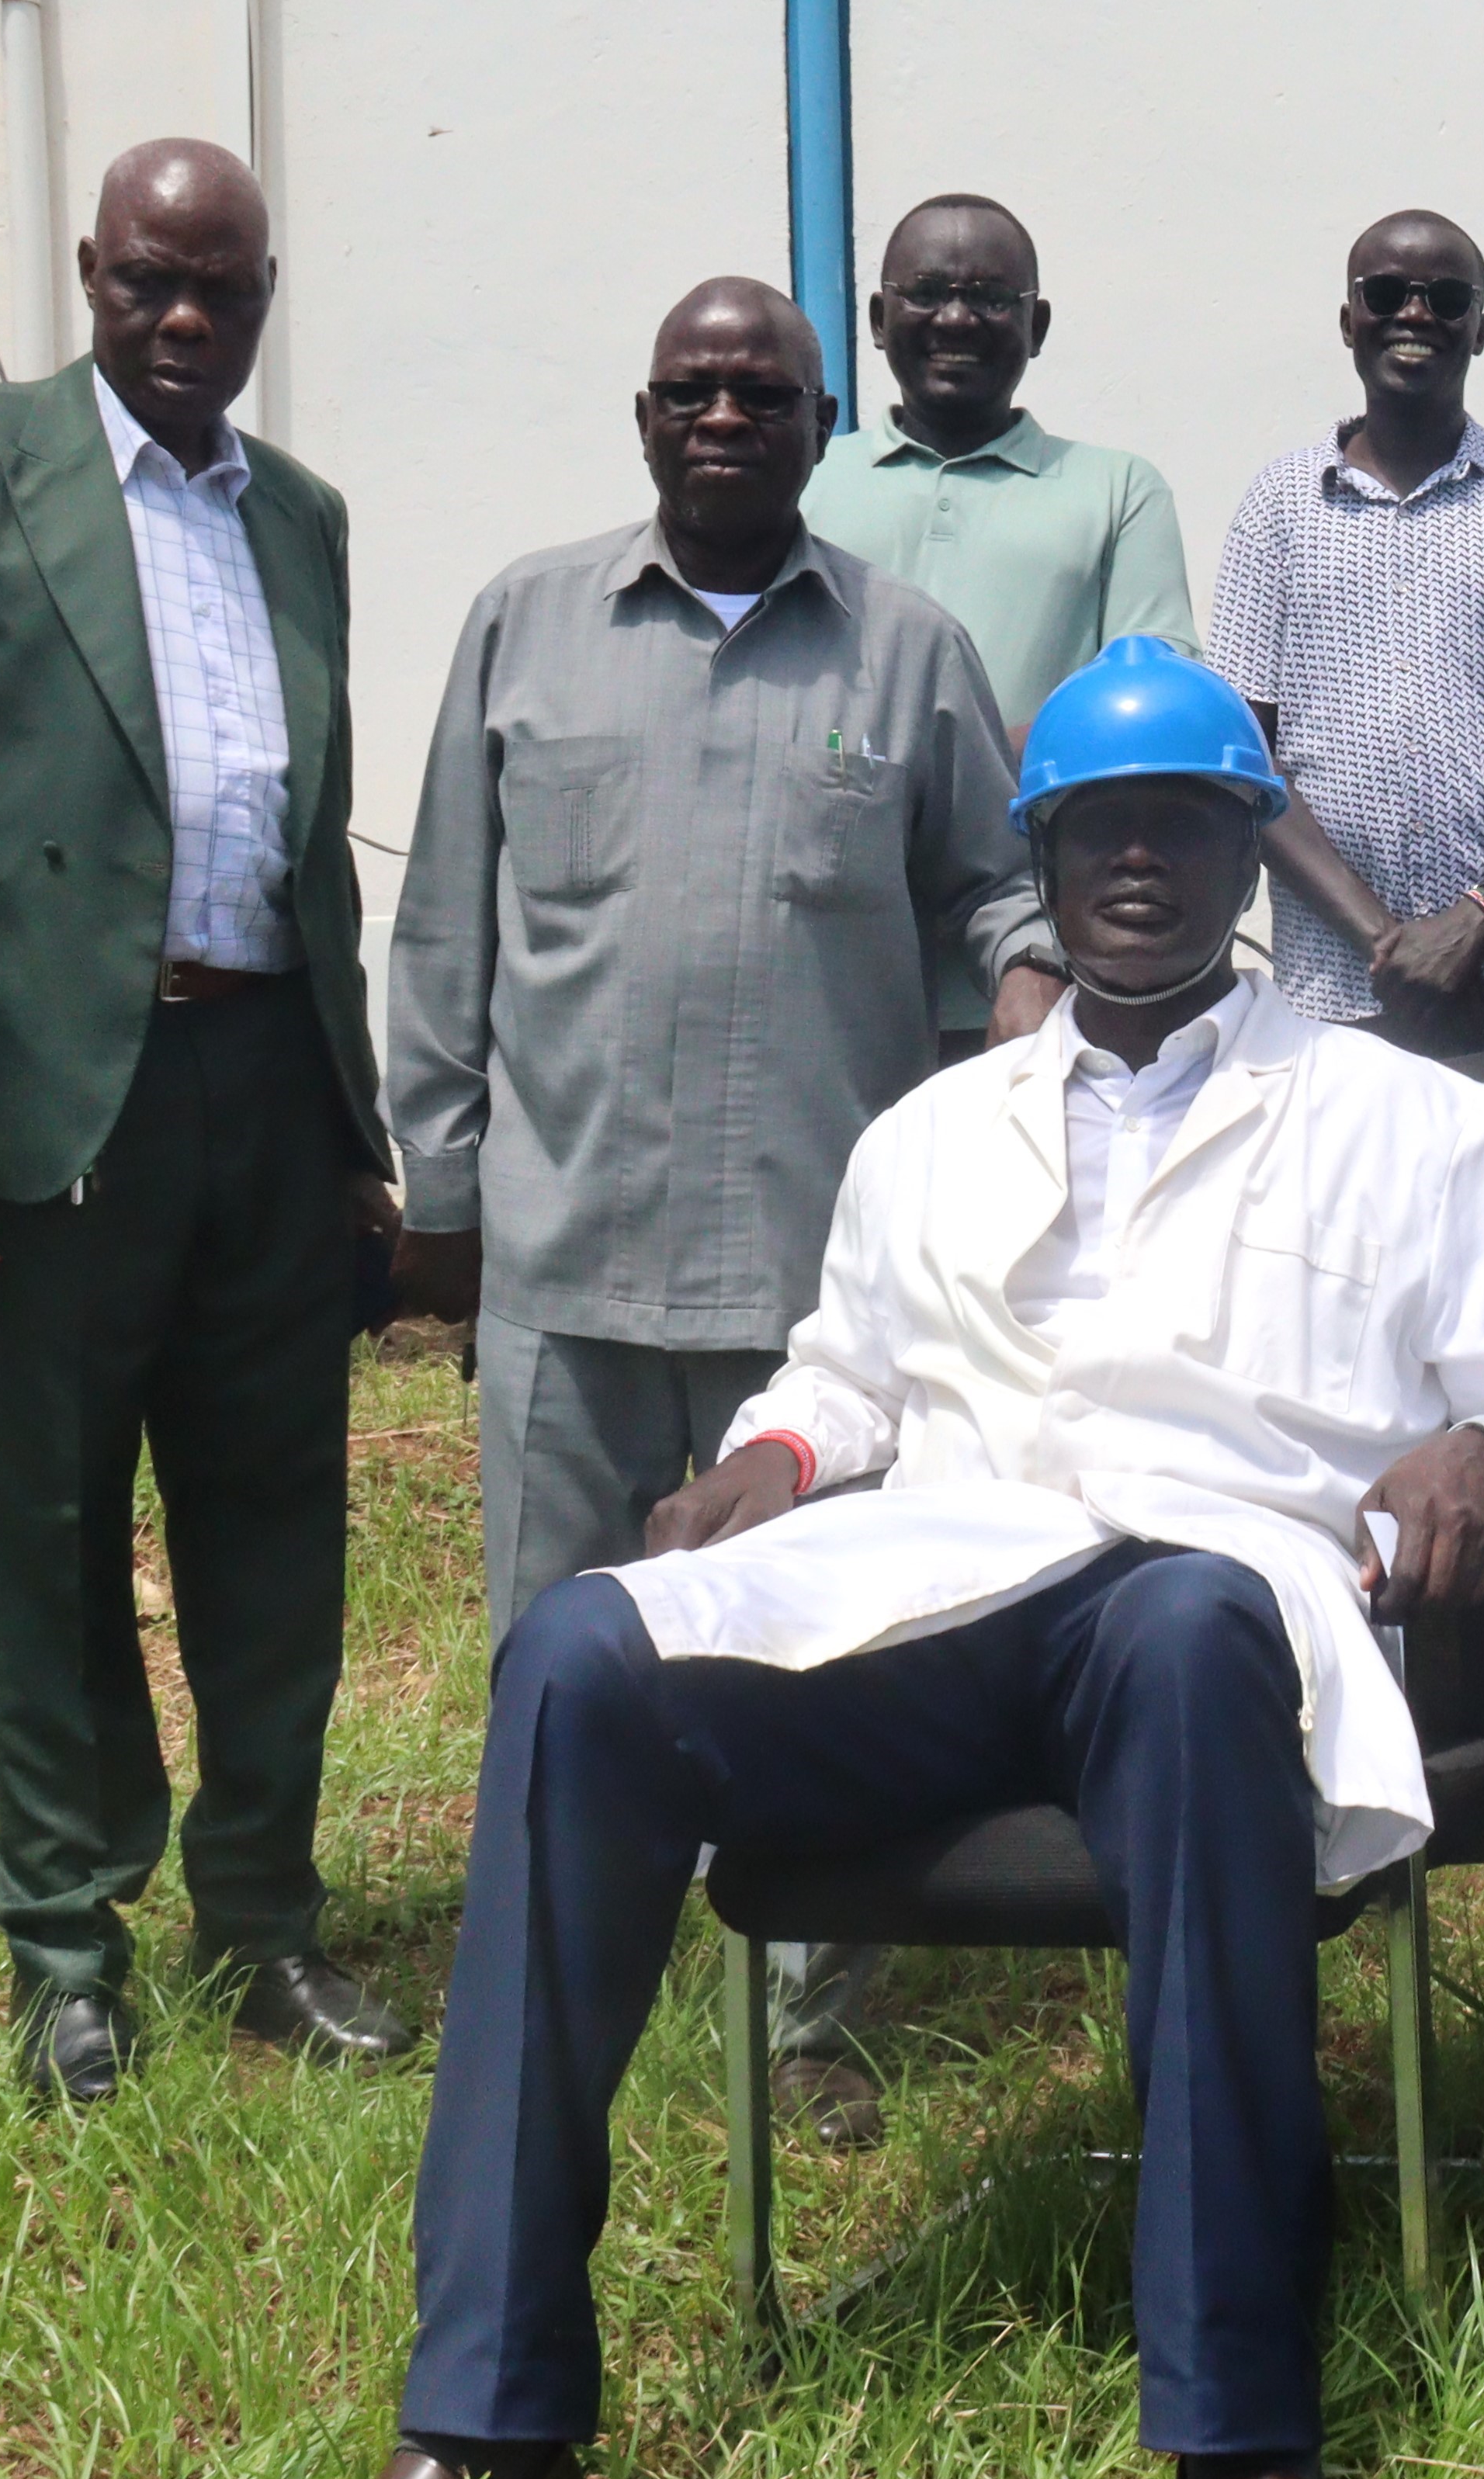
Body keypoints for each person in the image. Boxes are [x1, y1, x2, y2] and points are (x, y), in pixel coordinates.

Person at [308, 643, 1484, 2479]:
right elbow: (844, 1373)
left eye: (1181, 825)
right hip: (942, 1592)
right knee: (579, 1653)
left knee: (1189, 1628)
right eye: (1096, 830)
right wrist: (773, 1459)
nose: (1138, 863)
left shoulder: (1397, 1120)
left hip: (1209, 1601)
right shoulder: (931, 1131)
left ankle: (1241, 2442)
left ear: (1249, 854)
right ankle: (484, 2415)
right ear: (1042, 859)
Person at [388, 279, 1063, 2142]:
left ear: (820, 426)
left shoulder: (906, 654)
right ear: (641, 416)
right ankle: (549, 1996)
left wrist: (1028, 973)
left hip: (809, 1291)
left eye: (761, 395)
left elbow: (1000, 882)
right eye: (689, 390)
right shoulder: (523, 626)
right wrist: (438, 1188)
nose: (721, 419)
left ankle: (811, 2022)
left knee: (822, 1654)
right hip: (565, 1256)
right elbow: (442, 924)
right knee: (555, 1654)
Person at [0, 138, 413, 2105]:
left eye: (219, 286)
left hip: (266, 1088)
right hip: (47, 1099)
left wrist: (352, 1132)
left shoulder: (299, 514)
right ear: (87, 270)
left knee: (277, 1537)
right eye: (150, 277)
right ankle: (68, 1949)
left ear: (263, 299)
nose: (182, 315)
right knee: (54, 1533)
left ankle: (264, 1922)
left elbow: (310, 845)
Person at [1208, 210, 1484, 1732]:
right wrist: (1381, 930)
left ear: (1476, 328)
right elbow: (1244, 752)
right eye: (1384, 295)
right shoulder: (1278, 508)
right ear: (1346, 320)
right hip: (1346, 1010)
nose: (1411, 316)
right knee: (1358, 1333)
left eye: (1440, 298)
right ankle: (1398, 1688)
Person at [799, 193, 1197, 1052]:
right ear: (877, 320)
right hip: (828, 973)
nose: (955, 318)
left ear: (1036, 325)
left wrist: (940, 768)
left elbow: (1150, 691)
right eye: (925, 292)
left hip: (1037, 968)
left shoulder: (1117, 490)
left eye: (988, 297)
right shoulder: (808, 480)